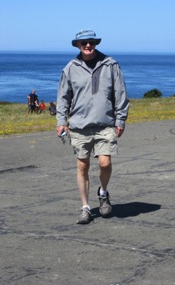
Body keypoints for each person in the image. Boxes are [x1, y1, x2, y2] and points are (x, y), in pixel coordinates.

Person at [56, 29, 129, 224]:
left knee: (105, 162)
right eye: (84, 43)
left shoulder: (110, 65)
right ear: (77, 45)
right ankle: (85, 207)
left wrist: (120, 120)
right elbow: (63, 98)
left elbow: (120, 94)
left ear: (96, 44)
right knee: (83, 166)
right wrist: (61, 122)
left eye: (92, 42)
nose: (88, 45)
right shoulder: (70, 68)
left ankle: (103, 193)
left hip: (105, 125)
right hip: (79, 126)